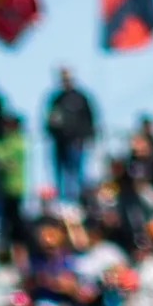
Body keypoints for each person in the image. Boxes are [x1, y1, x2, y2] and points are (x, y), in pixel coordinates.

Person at [43, 67, 97, 204]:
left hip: (76, 143)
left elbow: (90, 120)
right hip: (60, 143)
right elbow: (49, 120)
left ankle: (79, 202)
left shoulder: (80, 98)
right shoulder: (56, 99)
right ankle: (63, 204)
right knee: (61, 175)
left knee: (77, 174)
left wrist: (87, 137)